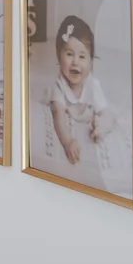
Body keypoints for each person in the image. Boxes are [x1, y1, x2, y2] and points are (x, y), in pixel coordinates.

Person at [45, 15, 110, 168]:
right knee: (52, 107)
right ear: (59, 57)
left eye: (82, 57)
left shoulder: (92, 85)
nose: (75, 62)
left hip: (87, 118)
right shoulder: (59, 86)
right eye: (69, 54)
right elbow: (59, 117)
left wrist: (102, 126)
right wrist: (68, 141)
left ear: (91, 62)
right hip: (64, 113)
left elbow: (106, 112)